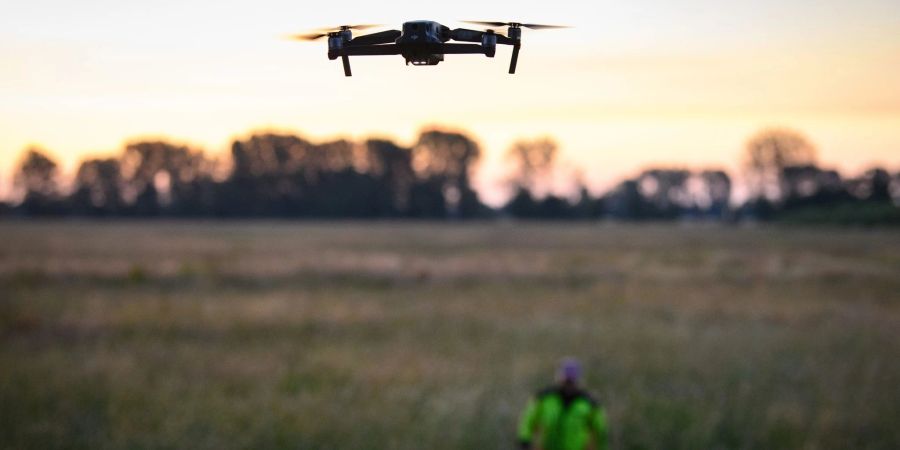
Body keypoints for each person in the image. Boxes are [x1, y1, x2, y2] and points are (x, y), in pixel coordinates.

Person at [517, 359, 609, 450]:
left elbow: (601, 431)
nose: (568, 385)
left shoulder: (589, 404)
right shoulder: (545, 399)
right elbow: (528, 420)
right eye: (566, 381)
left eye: (571, 382)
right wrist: (525, 440)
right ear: (559, 379)